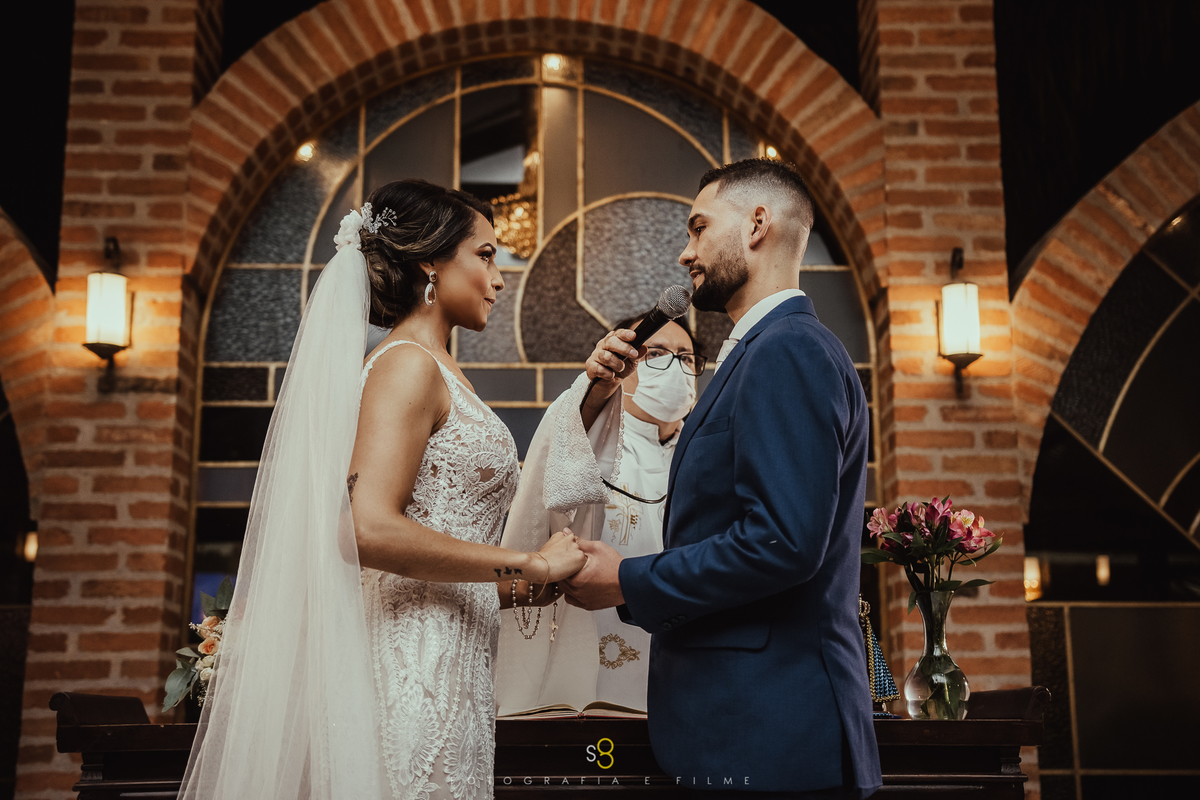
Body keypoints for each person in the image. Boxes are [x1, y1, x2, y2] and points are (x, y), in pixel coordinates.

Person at [178, 179, 586, 800]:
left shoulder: (445, 371)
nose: (499, 279)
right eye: (485, 255)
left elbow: (428, 557)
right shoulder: (405, 365)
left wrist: (516, 587)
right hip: (411, 679)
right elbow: (366, 529)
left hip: (457, 671)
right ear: (430, 261)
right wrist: (524, 560)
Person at [562, 159, 883, 799]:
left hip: (769, 730)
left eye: (698, 227)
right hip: (745, 726)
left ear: (758, 224)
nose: (686, 252)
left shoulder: (786, 349)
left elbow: (782, 542)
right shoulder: (770, 351)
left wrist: (625, 579)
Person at [495, 313, 704, 716]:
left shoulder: (703, 454)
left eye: (687, 357)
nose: (675, 367)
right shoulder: (592, 439)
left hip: (682, 660)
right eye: (656, 353)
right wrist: (595, 392)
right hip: (596, 652)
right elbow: (561, 452)